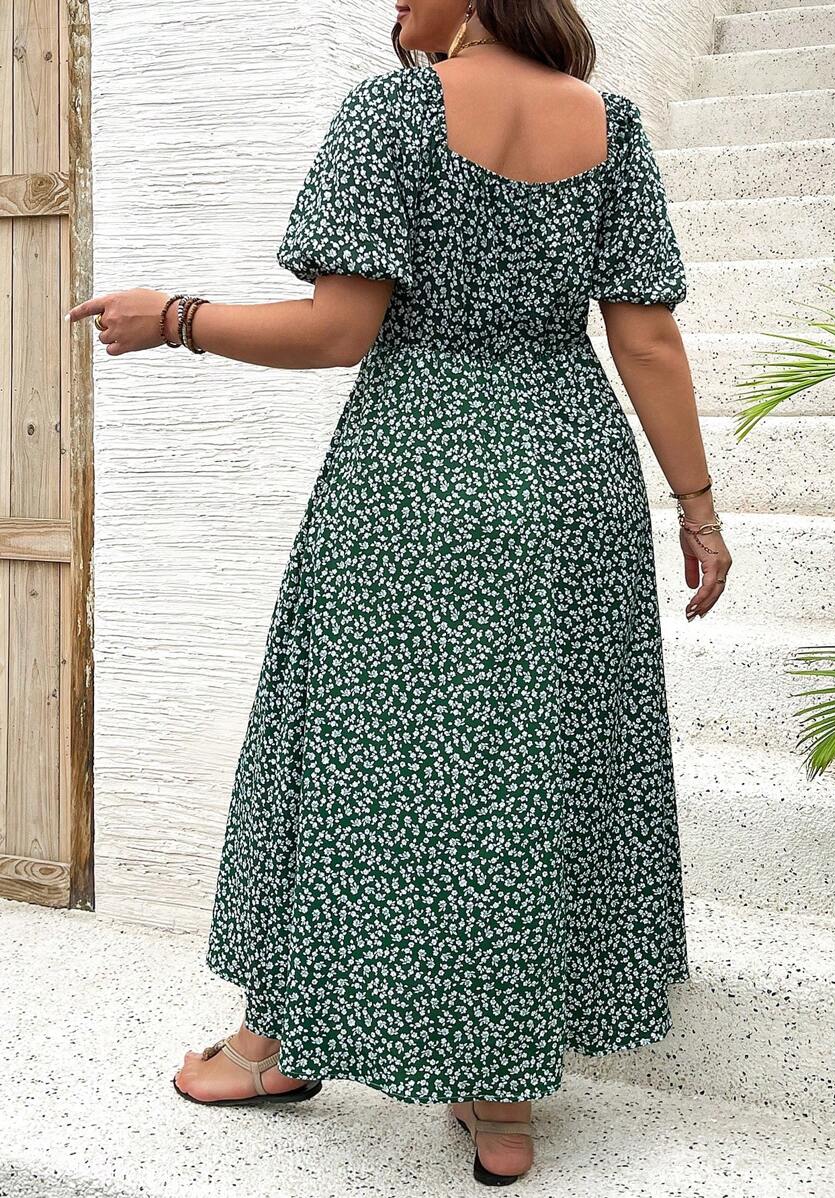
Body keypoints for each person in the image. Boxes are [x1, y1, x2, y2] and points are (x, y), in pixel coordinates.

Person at [67, 0, 732, 1187]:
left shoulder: (392, 114)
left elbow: (337, 330)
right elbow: (646, 341)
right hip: (569, 476)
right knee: (528, 767)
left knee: (354, 752)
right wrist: (698, 505)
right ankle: (501, 1098)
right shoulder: (613, 127)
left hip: (416, 475)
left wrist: (175, 319)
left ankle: (275, 1044)